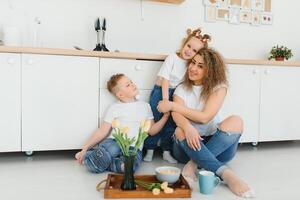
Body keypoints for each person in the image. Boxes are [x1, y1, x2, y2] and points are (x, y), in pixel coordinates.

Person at [157, 48, 255, 198]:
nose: (193, 68)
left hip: (217, 148)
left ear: (210, 71)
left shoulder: (219, 87)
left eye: (200, 66)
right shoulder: (181, 89)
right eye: (193, 63)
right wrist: (188, 127)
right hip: (187, 146)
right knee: (179, 130)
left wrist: (171, 105)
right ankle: (226, 174)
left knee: (236, 121)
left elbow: (205, 117)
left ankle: (194, 163)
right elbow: (177, 116)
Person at [75, 73, 169, 173]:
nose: (133, 84)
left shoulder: (145, 106)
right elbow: (102, 131)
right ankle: (93, 157)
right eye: (128, 85)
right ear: (120, 94)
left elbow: (151, 131)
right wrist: (85, 147)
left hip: (133, 147)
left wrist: (165, 117)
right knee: (105, 155)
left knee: (129, 167)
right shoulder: (114, 108)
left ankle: (98, 159)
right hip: (115, 142)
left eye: (131, 82)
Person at [143, 28, 211, 163]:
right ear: (184, 44)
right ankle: (150, 149)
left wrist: (172, 103)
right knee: (156, 120)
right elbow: (165, 80)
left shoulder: (190, 65)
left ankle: (166, 150)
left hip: (175, 94)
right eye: (188, 46)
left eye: (194, 51)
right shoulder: (172, 58)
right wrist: (165, 101)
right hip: (161, 91)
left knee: (170, 124)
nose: (189, 51)